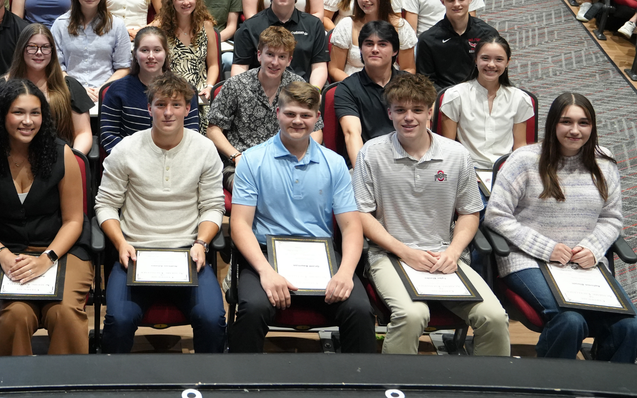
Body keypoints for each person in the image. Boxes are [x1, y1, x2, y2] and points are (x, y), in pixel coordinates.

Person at [353, 73, 510, 357]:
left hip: (444, 255)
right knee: (412, 315)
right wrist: (405, 252)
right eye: (400, 110)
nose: (408, 117)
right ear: (389, 113)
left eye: (416, 110)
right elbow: (362, 215)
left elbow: (469, 213)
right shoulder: (371, 153)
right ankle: (396, 387)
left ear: (430, 111)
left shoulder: (457, 155)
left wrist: (453, 251)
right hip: (390, 255)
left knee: (494, 318)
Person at [485, 93, 637, 363]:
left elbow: (611, 217)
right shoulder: (524, 160)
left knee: (630, 326)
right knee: (570, 320)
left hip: (583, 265)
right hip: (528, 261)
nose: (575, 130)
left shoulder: (605, 162)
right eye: (566, 122)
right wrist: (547, 248)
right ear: (553, 124)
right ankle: (552, 384)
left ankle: (608, 387)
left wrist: (593, 247)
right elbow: (496, 215)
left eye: (584, 123)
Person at [227, 81, 377, 354]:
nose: (298, 121)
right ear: (278, 113)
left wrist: (345, 273)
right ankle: (241, 384)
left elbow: (351, 226)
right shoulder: (251, 160)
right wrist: (265, 272)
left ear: (317, 119)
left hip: (323, 257)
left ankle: (359, 385)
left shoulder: (334, 163)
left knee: (359, 308)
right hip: (266, 255)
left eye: (306, 115)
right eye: (290, 114)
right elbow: (239, 225)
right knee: (254, 309)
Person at [96, 72, 226, 354]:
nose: (168, 112)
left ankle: (213, 386)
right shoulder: (126, 150)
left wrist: (201, 243)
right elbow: (105, 204)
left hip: (187, 252)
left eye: (176, 105)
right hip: (135, 252)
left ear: (188, 109)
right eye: (161, 104)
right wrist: (121, 243)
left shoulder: (205, 150)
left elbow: (213, 206)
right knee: (118, 320)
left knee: (212, 318)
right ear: (149, 108)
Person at [0, 80, 94, 357]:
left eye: (35, 113)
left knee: (65, 314)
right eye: (18, 112)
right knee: (15, 315)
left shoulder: (62, 153)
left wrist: (48, 257)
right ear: (2, 115)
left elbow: (73, 220)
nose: (28, 121)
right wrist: (2, 254)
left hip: (61, 251)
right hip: (7, 252)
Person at [207, 26, 309, 190]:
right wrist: (236, 156)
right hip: (240, 163)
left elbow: (315, 129)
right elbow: (213, 130)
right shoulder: (236, 85)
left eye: (282, 56)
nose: (275, 62)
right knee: (258, 190)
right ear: (259, 54)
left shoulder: (298, 86)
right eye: (270, 54)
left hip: (286, 162)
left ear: (289, 60)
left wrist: (299, 156)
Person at [0, 24, 94, 155]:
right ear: (22, 49)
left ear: (52, 51)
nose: (39, 52)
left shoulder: (69, 86)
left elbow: (83, 133)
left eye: (45, 47)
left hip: (59, 162)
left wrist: (71, 160)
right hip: (10, 163)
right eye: (32, 47)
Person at [438, 34, 534, 170]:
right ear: (475, 59)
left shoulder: (519, 98)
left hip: (505, 170)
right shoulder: (456, 95)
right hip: (467, 170)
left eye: (499, 59)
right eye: (485, 58)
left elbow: (520, 146)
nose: (491, 65)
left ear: (507, 62)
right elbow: (448, 147)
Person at [99, 27, 199, 152]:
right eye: (144, 50)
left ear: (166, 53)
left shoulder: (185, 90)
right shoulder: (117, 90)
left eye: (157, 50)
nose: (151, 56)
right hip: (130, 161)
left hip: (175, 160)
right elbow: (108, 135)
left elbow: (192, 132)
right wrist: (137, 159)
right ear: (135, 54)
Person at [233, 0, 329, 88]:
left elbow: (319, 66)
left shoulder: (314, 25)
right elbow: (240, 67)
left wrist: (314, 92)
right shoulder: (250, 26)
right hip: (260, 93)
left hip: (301, 94)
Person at [336, 20, 410, 167]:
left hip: (406, 161)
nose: (375, 49)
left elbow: (421, 131)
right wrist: (362, 175)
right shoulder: (347, 88)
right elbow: (352, 134)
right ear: (361, 50)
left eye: (382, 44)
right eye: (369, 44)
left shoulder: (410, 84)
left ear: (395, 50)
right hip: (368, 163)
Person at [52, 0, 132, 101]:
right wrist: (78, 90)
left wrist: (102, 89)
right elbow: (56, 67)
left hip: (106, 93)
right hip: (69, 93)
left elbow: (123, 67)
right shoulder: (60, 25)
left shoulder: (116, 25)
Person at [416, 0, 499, 91]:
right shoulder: (428, 39)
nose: (456, 4)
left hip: (481, 94)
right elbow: (426, 82)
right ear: (442, 1)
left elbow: (496, 72)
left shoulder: (488, 34)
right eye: (450, 0)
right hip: (445, 99)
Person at [329, 0, 415, 83]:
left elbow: (409, 68)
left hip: (391, 89)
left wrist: (392, 88)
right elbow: (335, 68)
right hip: (354, 88)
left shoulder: (400, 26)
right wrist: (355, 87)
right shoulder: (347, 25)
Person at [152, 0, 219, 103]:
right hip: (168, 94)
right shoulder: (160, 29)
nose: (186, 2)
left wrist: (209, 87)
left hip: (200, 94)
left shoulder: (206, 26)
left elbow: (213, 65)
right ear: (171, 1)